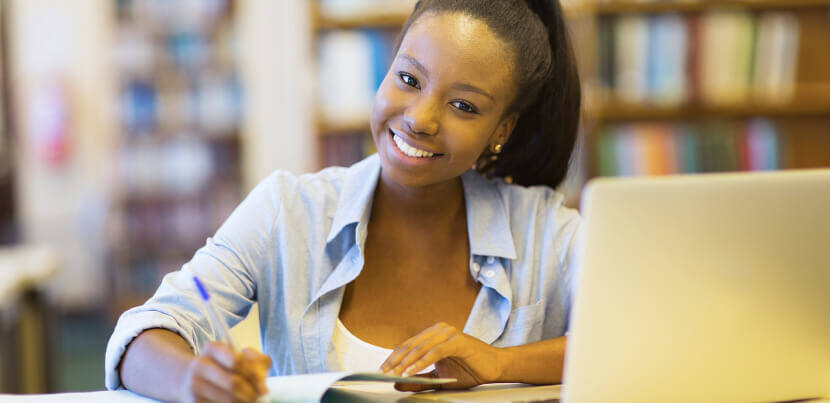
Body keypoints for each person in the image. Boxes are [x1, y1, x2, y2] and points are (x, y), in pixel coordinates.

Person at [105, 0, 583, 401]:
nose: (420, 119)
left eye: (463, 106)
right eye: (409, 79)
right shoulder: (287, 210)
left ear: (502, 129)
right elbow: (145, 332)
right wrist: (192, 380)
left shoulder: (547, 231)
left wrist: (500, 363)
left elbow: (640, 342)